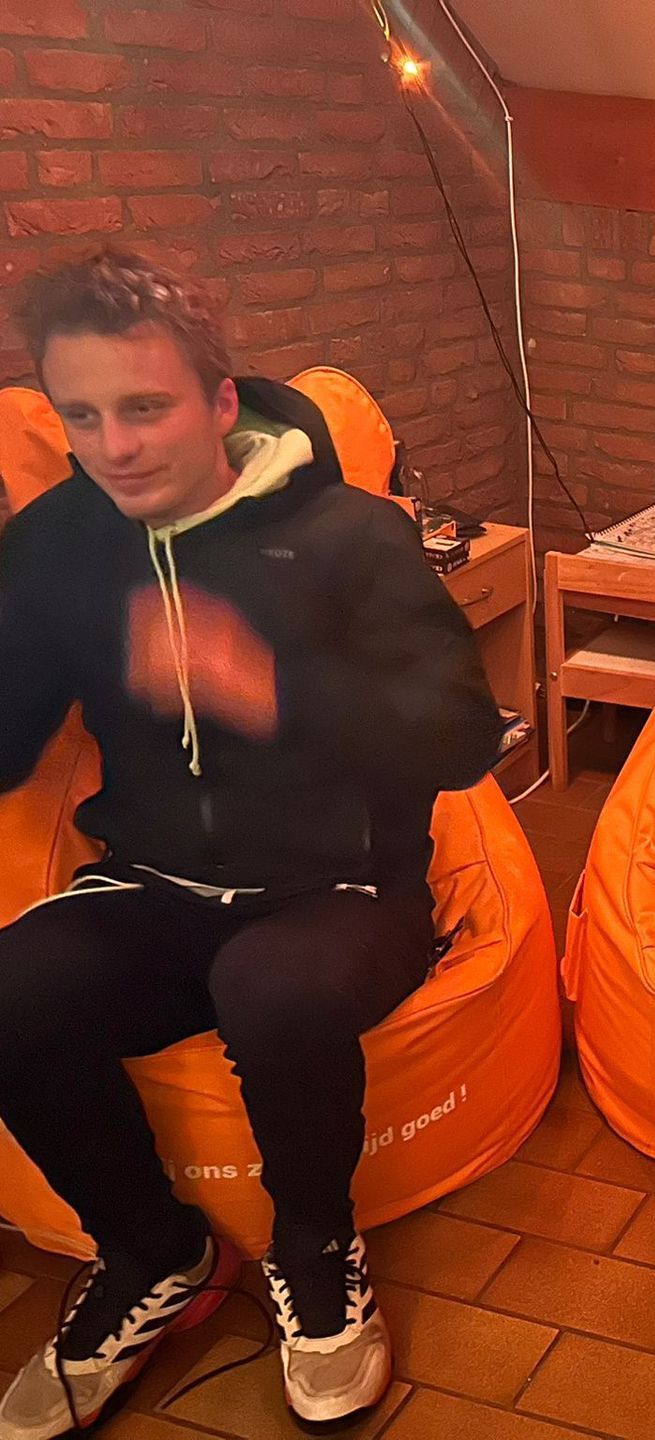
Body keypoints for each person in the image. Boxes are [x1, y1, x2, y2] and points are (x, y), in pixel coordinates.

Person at [0, 249, 500, 1437]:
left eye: (146, 408)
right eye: (83, 417)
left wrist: (270, 688)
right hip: (153, 880)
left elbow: (462, 738)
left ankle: (317, 1253)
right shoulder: (62, 538)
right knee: (10, 993)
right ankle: (151, 1252)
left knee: (272, 988)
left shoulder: (348, 534)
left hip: (344, 886)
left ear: (221, 402)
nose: (115, 447)